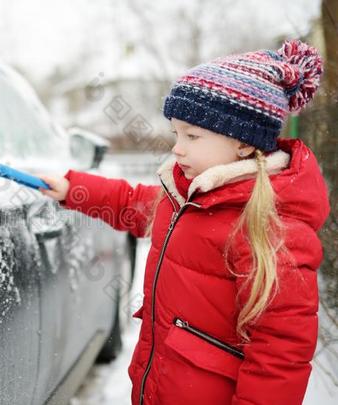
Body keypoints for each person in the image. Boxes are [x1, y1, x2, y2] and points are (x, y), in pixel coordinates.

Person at [38, 39, 330, 405]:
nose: (177, 147)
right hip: (159, 383)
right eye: (176, 133)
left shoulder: (271, 229)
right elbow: (134, 204)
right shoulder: (186, 195)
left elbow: (280, 353)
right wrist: (74, 188)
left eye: (192, 136)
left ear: (243, 143)